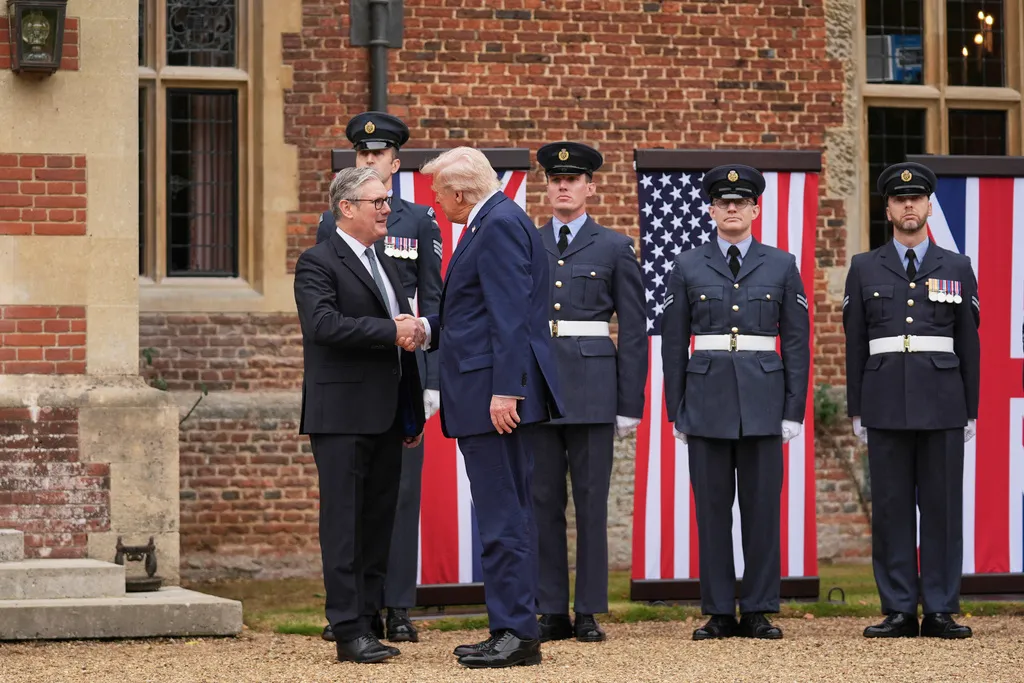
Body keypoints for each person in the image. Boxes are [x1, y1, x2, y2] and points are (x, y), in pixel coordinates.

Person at [405, 146, 564, 669]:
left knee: (503, 517)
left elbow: (509, 315)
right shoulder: (496, 219)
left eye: (436, 193)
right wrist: (432, 329)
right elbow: (475, 313)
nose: (434, 203)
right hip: (488, 390)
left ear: (458, 192)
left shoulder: (495, 225)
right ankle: (509, 627)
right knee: (507, 512)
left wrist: (506, 390)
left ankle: (516, 634)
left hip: (493, 398)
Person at [661, 164, 810, 640]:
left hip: (765, 402)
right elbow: (672, 345)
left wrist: (793, 410)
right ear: (710, 209)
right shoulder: (687, 265)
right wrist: (676, 410)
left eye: (740, 202)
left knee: (763, 510)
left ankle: (761, 607)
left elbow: (797, 344)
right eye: (723, 202)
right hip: (705, 402)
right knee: (712, 511)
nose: (731, 209)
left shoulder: (782, 264)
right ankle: (720, 609)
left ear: (755, 209)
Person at [316, 112, 443, 645]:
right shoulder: (332, 231)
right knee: (354, 506)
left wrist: (430, 376)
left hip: (403, 377)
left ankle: (398, 605)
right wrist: (391, 331)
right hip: (357, 382)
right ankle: (355, 616)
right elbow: (332, 308)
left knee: (397, 498)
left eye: (379, 153)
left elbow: (432, 296)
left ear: (396, 161)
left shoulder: (416, 221)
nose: (370, 159)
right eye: (361, 153)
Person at [294, 167, 426, 663]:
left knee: (377, 523)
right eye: (377, 201)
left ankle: (369, 619)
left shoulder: (386, 262)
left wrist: (410, 412)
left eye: (387, 200)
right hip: (343, 415)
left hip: (388, 414)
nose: (386, 209)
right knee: (345, 524)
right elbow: (323, 325)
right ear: (346, 208)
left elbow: (402, 339)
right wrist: (389, 331)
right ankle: (347, 628)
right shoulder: (317, 262)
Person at [844, 161, 980, 639]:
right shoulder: (863, 267)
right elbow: (854, 341)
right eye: (900, 200)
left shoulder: (957, 267)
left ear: (927, 207)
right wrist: (856, 408)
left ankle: (941, 607)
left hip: (943, 401)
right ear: (888, 209)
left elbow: (969, 343)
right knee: (892, 506)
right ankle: (900, 608)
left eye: (916, 199)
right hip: (884, 400)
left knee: (942, 508)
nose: (908, 206)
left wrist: (971, 410)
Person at [530, 141, 647, 643]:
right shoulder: (527, 243)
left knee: (592, 503)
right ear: (546, 185)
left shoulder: (614, 247)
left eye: (573, 179)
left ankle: (589, 610)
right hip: (538, 386)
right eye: (556, 179)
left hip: (594, 388)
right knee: (542, 502)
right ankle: (551, 607)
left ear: (590, 187)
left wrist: (629, 403)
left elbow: (635, 330)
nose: (563, 185)